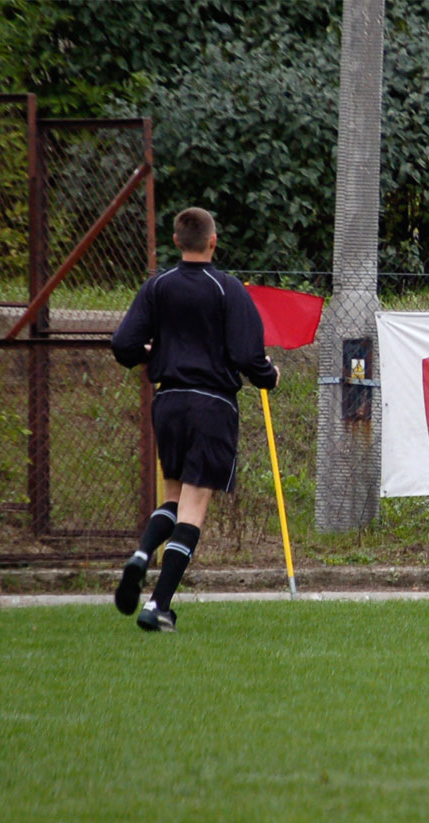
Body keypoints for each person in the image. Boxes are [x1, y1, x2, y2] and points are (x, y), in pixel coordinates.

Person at [110, 207, 279, 632]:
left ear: (176, 241)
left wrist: (147, 354)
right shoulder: (227, 289)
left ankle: (142, 555)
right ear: (213, 241)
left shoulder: (158, 286)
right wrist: (268, 376)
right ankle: (157, 607)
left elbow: (124, 344)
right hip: (211, 405)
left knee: (172, 497)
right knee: (194, 509)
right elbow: (246, 354)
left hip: (168, 401)